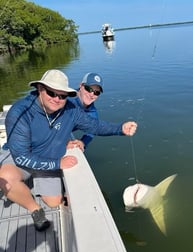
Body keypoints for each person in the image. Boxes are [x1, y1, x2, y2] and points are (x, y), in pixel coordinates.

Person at [0, 69, 137, 231]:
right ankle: (34, 209)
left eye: (63, 95)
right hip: (22, 157)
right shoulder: (20, 112)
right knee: (5, 177)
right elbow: (22, 157)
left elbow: (95, 126)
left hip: (49, 155)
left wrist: (120, 128)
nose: (57, 99)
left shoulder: (71, 110)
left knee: (54, 201)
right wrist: (58, 163)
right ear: (39, 89)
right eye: (51, 92)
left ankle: (39, 188)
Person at [70, 72, 105, 147]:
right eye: (88, 89)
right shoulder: (66, 98)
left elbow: (92, 131)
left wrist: (83, 142)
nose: (92, 94)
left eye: (97, 92)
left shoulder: (92, 112)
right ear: (81, 85)